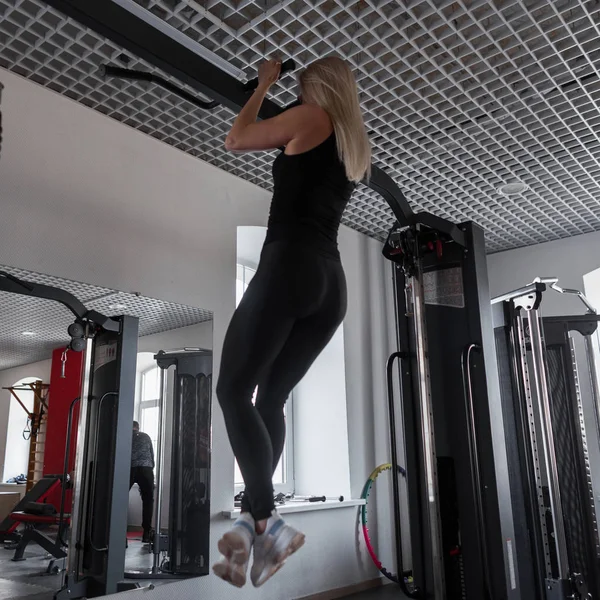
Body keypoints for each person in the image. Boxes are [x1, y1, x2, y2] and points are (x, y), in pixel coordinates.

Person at [213, 55, 371, 588]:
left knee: (232, 390)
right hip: (331, 284)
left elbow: (237, 139)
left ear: (318, 90)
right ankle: (256, 521)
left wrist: (262, 86)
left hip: (291, 267)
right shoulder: (353, 143)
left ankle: (265, 520)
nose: (299, 96)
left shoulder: (312, 117)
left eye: (304, 89)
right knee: (269, 399)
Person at [130, 421, 155, 543]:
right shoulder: (146, 436)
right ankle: (146, 532)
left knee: (120, 499)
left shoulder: (125, 435)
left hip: (131, 467)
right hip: (146, 468)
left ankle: (117, 530)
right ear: (138, 428)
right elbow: (152, 454)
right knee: (148, 500)